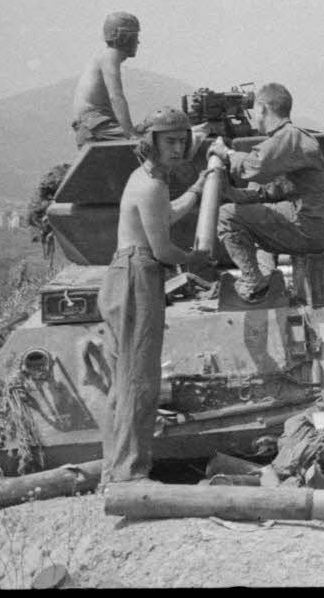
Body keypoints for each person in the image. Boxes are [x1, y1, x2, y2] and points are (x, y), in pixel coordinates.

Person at [98, 106, 210, 486]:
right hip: (138, 275)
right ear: (151, 144)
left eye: (183, 141)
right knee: (139, 380)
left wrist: (197, 188)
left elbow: (166, 215)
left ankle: (114, 468)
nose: (179, 149)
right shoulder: (153, 185)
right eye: (171, 142)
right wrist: (195, 260)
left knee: (125, 379)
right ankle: (130, 476)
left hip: (129, 274)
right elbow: (163, 250)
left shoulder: (147, 179)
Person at [210, 83, 324, 302]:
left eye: (255, 112)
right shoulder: (286, 142)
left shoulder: (290, 137)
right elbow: (268, 193)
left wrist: (227, 153)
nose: (254, 118)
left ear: (262, 109)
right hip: (313, 228)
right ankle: (265, 278)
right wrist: (229, 192)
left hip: (308, 227)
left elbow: (255, 166)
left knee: (226, 215)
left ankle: (253, 280)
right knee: (244, 212)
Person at [72, 12, 142, 148]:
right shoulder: (111, 56)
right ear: (124, 37)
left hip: (91, 126)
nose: (138, 42)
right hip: (96, 125)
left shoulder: (103, 56)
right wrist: (130, 134)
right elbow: (116, 97)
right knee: (150, 144)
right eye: (135, 36)